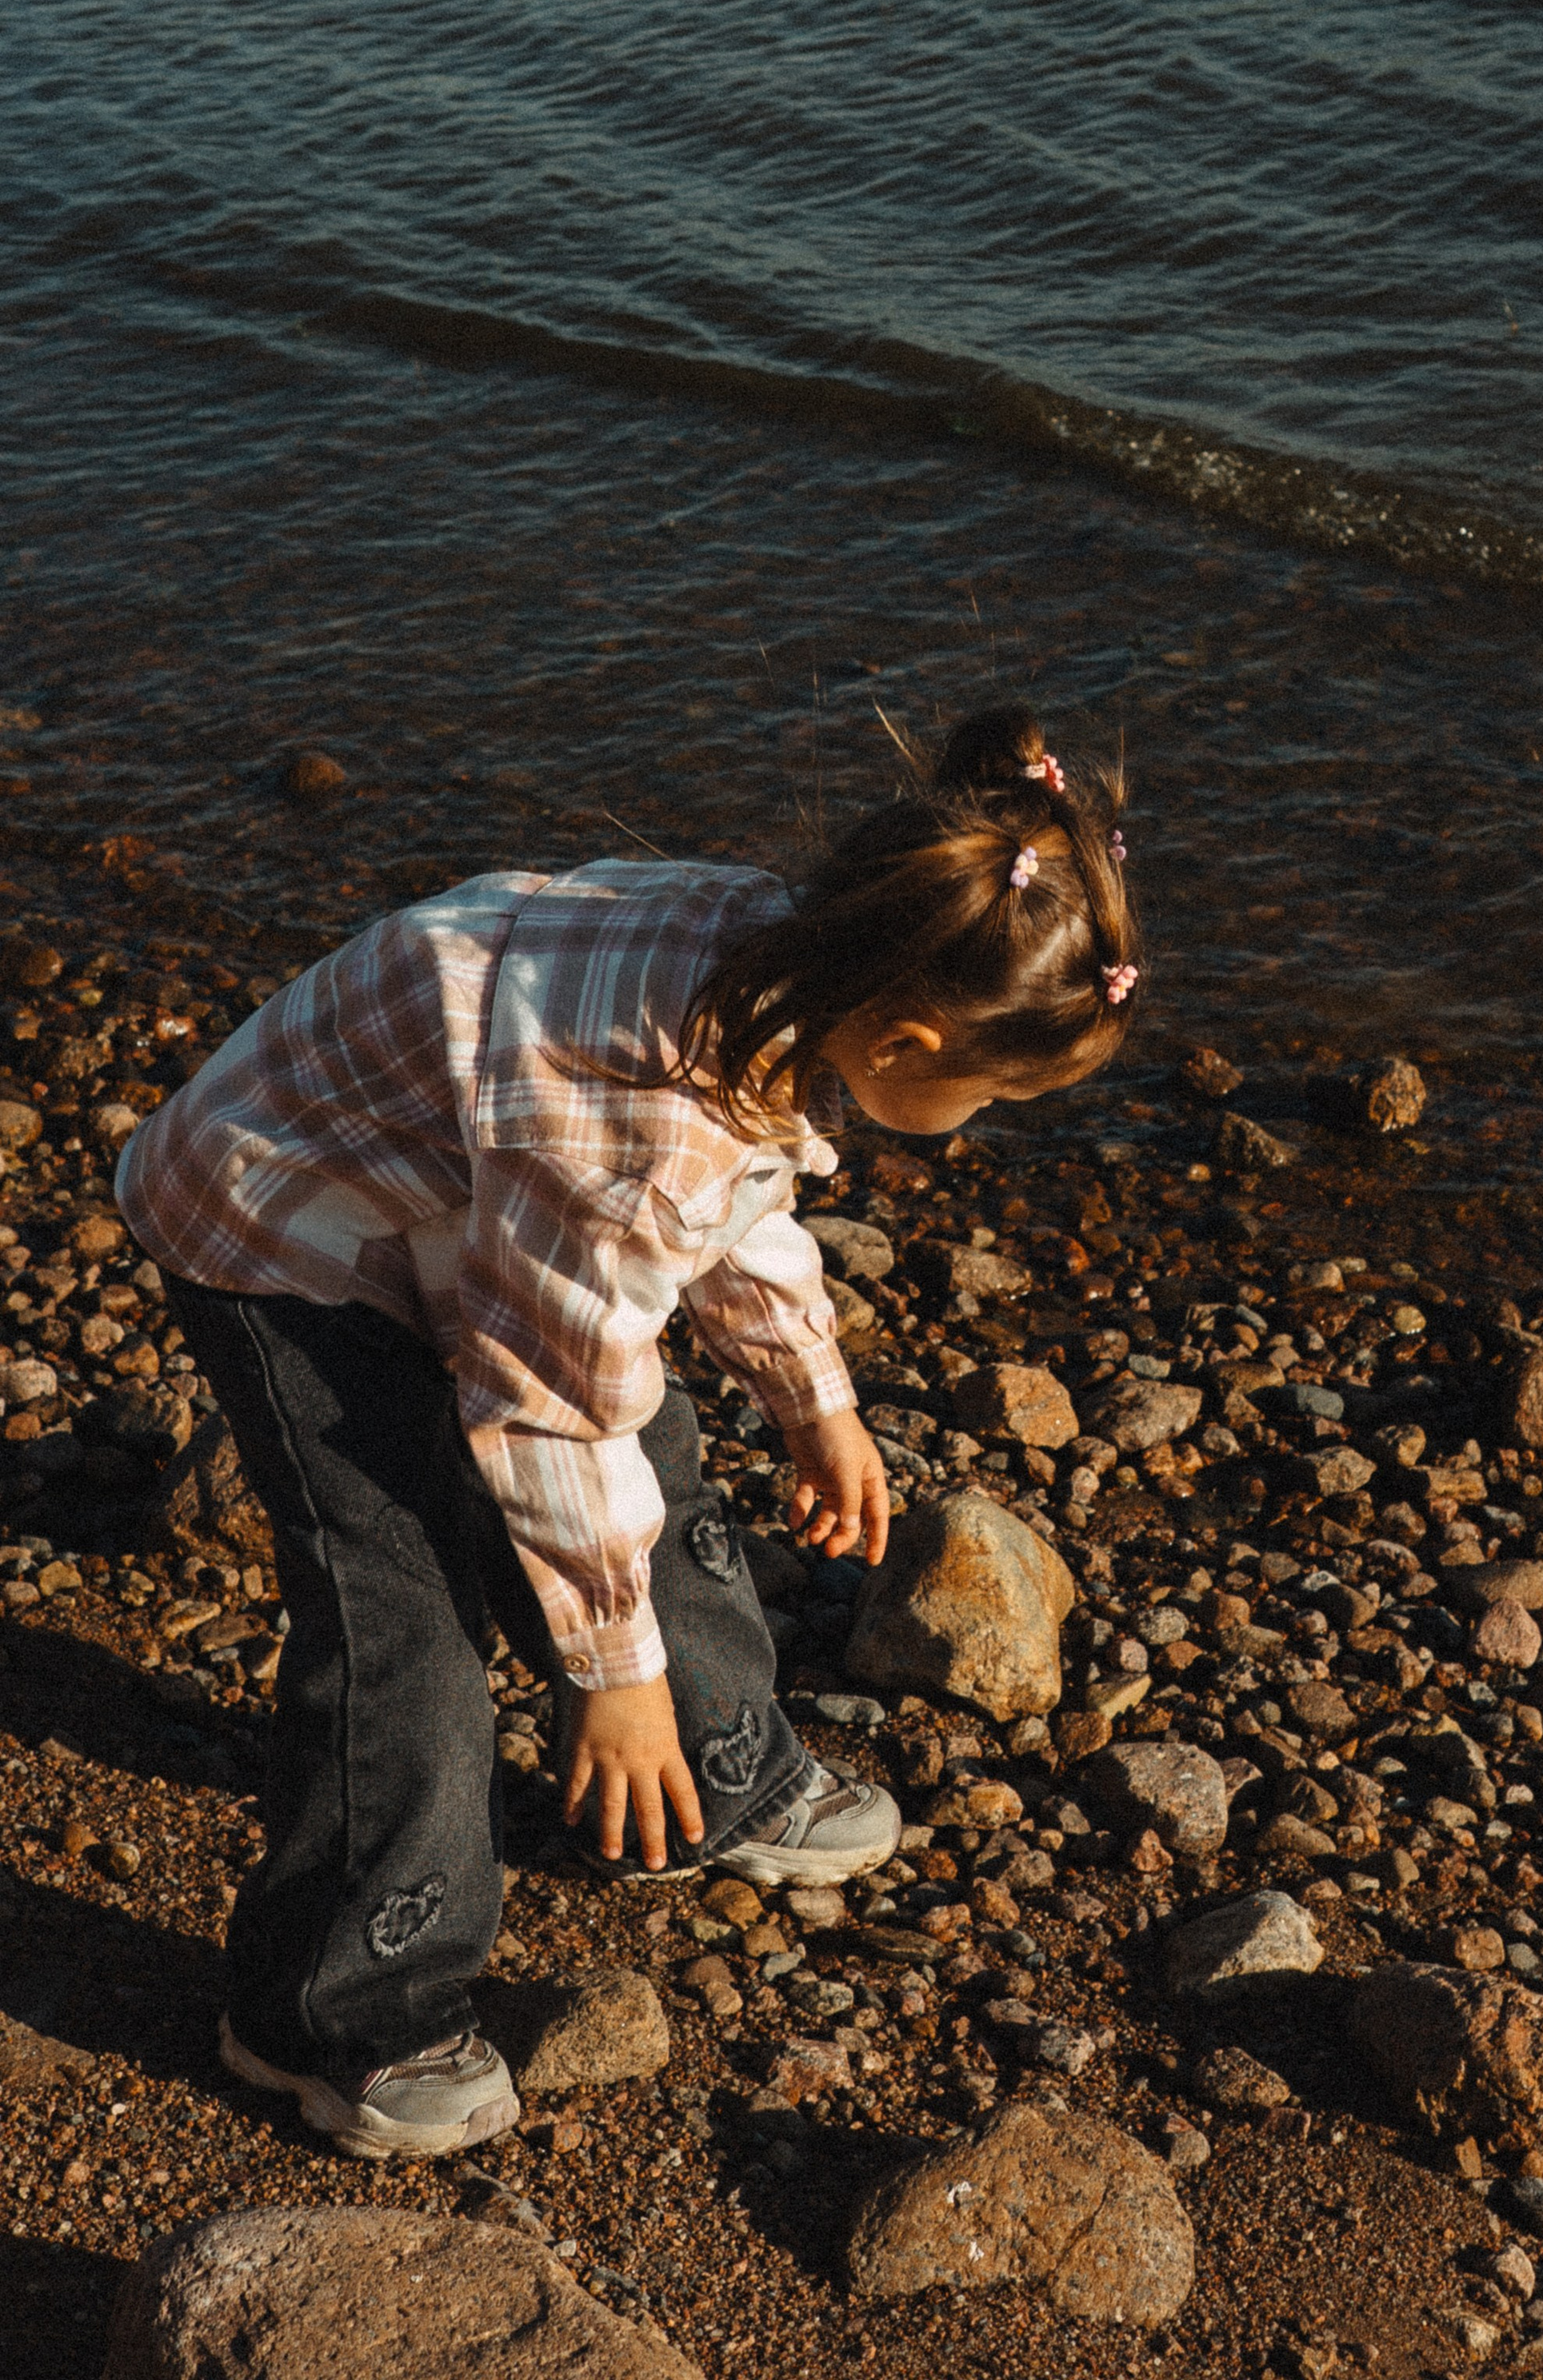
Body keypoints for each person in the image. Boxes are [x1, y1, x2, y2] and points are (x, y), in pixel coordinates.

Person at [114, 704, 1140, 2162]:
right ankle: (328, 2016)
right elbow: (543, 1402)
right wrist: (607, 1675)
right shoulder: (630, 1125)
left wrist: (816, 1397)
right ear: (907, 1039)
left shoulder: (784, 951)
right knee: (404, 1601)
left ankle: (718, 1769)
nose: (967, 1127)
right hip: (281, 1228)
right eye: (979, 1097)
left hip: (461, 1189)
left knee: (650, 1462)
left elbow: (737, 1206)